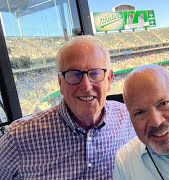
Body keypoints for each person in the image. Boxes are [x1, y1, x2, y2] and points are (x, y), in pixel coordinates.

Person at [0, 35, 136, 179]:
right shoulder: (18, 138)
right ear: (60, 83)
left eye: (95, 73)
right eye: (74, 74)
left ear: (109, 80)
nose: (86, 86)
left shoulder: (130, 119)